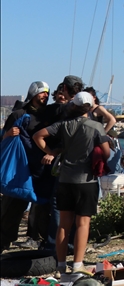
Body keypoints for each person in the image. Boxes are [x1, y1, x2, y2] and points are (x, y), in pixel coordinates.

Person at [33, 92, 110, 274]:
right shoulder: (96, 126)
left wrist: (52, 151)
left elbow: (38, 136)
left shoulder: (63, 125)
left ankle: (60, 265)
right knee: (83, 223)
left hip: (65, 179)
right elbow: (106, 153)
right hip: (86, 180)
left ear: (73, 105)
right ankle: (77, 265)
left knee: (63, 224)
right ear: (90, 107)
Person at [0, 81, 58, 252]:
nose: (45, 96)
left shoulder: (49, 114)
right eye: (42, 93)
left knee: (42, 206)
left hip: (42, 169)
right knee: (12, 206)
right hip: (20, 169)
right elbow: (3, 140)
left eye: (47, 93)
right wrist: (8, 135)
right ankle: (4, 240)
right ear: (33, 94)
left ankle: (39, 240)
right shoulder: (18, 114)